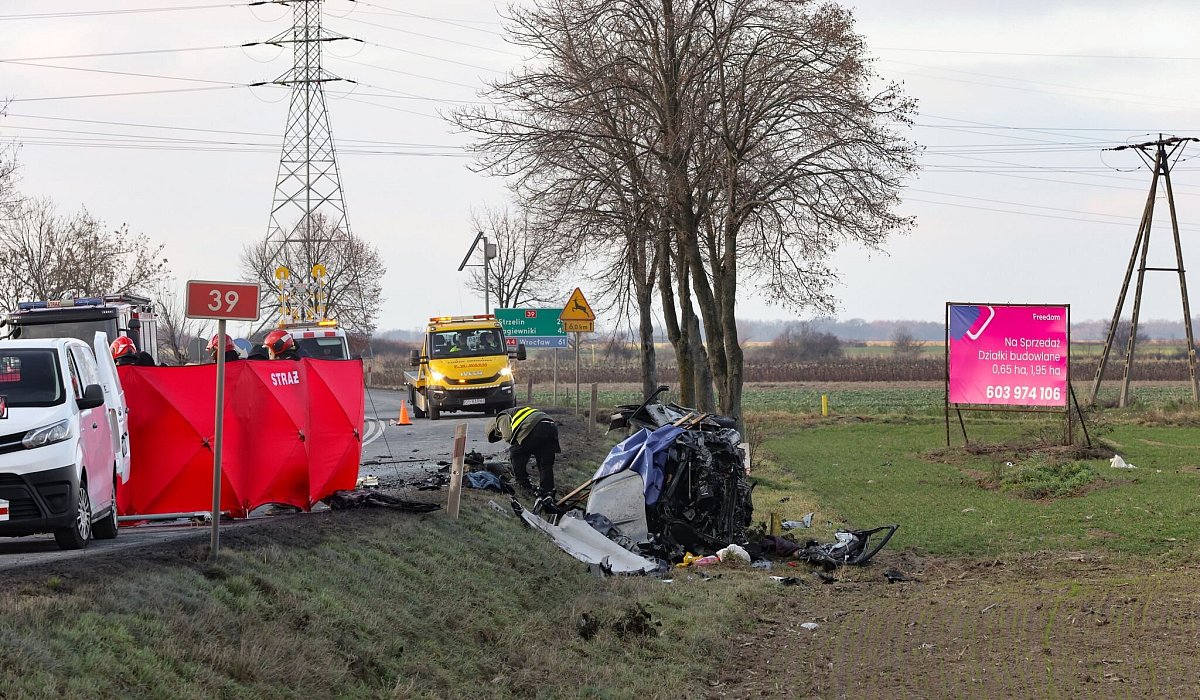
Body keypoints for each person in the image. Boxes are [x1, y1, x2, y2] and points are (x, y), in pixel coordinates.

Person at [486, 405, 560, 499]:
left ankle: (523, 485)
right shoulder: (514, 413)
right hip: (550, 426)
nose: (500, 437)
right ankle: (547, 493)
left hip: (537, 427)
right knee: (545, 464)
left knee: (515, 452)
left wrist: (516, 446)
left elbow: (508, 436)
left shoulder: (501, 418)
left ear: (493, 427)